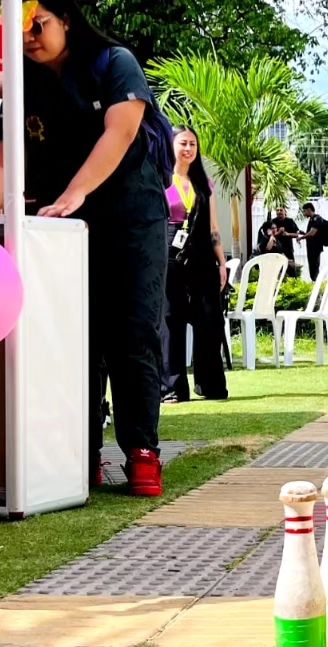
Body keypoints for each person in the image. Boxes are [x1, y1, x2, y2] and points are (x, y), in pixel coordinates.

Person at [1, 1, 169, 496]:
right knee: (73, 338)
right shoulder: (20, 82)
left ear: (67, 20)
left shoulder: (113, 62)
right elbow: (8, 152)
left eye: (38, 25)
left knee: (133, 331)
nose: (29, 37)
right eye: (20, 28)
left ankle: (141, 452)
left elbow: (122, 131)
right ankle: (81, 453)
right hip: (59, 226)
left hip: (132, 217)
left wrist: (77, 193)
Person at [161, 126, 228, 404]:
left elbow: (213, 227)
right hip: (169, 253)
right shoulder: (162, 179)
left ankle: (211, 384)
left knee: (210, 319)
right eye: (183, 143)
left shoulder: (204, 183)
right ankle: (172, 387)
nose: (188, 149)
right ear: (171, 145)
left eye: (193, 144)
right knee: (171, 319)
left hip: (201, 254)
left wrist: (221, 262)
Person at [298, 202, 327, 281]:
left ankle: (316, 283)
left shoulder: (317, 219)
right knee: (312, 266)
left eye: (304, 211)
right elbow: (311, 234)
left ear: (309, 210)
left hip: (315, 247)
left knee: (314, 266)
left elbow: (312, 233)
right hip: (311, 247)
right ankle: (314, 281)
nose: (304, 213)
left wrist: (301, 238)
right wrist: (304, 234)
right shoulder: (311, 219)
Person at [271, 206, 300, 277]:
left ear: (285, 212)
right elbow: (270, 235)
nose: (279, 212)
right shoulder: (273, 221)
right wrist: (279, 232)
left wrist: (288, 234)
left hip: (288, 249)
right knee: (277, 270)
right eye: (277, 210)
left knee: (291, 269)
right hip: (276, 249)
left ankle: (293, 281)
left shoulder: (290, 221)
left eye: (281, 210)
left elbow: (296, 234)